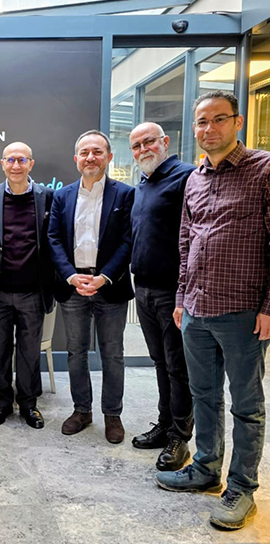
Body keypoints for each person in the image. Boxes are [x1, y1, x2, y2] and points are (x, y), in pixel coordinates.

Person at [155, 90, 270, 531]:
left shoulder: (263, 170)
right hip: (196, 309)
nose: (209, 128)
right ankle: (205, 467)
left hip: (243, 311)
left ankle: (242, 487)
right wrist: (181, 298)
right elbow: (186, 242)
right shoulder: (195, 178)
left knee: (247, 404)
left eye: (219, 119)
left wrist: (268, 307)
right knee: (203, 394)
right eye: (202, 121)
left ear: (237, 122)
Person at [48, 130, 134, 444]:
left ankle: (112, 415)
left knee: (113, 354)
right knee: (76, 353)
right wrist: (71, 275)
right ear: (76, 159)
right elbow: (53, 239)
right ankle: (82, 410)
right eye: (84, 152)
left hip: (109, 286)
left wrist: (104, 277)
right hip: (73, 287)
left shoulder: (125, 194)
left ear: (108, 157)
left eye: (97, 152)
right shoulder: (62, 196)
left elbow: (128, 241)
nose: (90, 158)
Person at [129, 122, 195, 471]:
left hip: (172, 291)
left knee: (177, 366)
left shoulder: (185, 177)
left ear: (165, 142)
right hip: (143, 288)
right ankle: (165, 424)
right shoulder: (143, 183)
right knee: (160, 362)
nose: (143, 149)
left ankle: (179, 437)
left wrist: (184, 293)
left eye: (149, 142)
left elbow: (194, 238)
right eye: (136, 145)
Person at [0, 141, 54, 429]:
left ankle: (28, 404)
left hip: (32, 292)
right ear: (2, 164)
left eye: (22, 160)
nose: (16, 165)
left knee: (29, 352)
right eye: (10, 160)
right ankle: (2, 401)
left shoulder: (47, 197)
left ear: (31, 164)